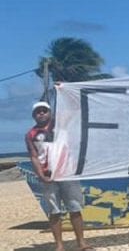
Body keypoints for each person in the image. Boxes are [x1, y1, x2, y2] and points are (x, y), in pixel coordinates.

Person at [26, 101, 91, 251]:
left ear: (50, 112)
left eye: (44, 110)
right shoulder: (31, 134)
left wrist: (63, 89)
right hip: (48, 176)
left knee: (75, 208)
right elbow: (34, 156)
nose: (41, 113)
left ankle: (81, 243)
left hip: (67, 172)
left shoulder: (61, 125)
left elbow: (75, 108)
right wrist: (40, 175)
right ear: (34, 115)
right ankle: (59, 246)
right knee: (54, 211)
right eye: (38, 111)